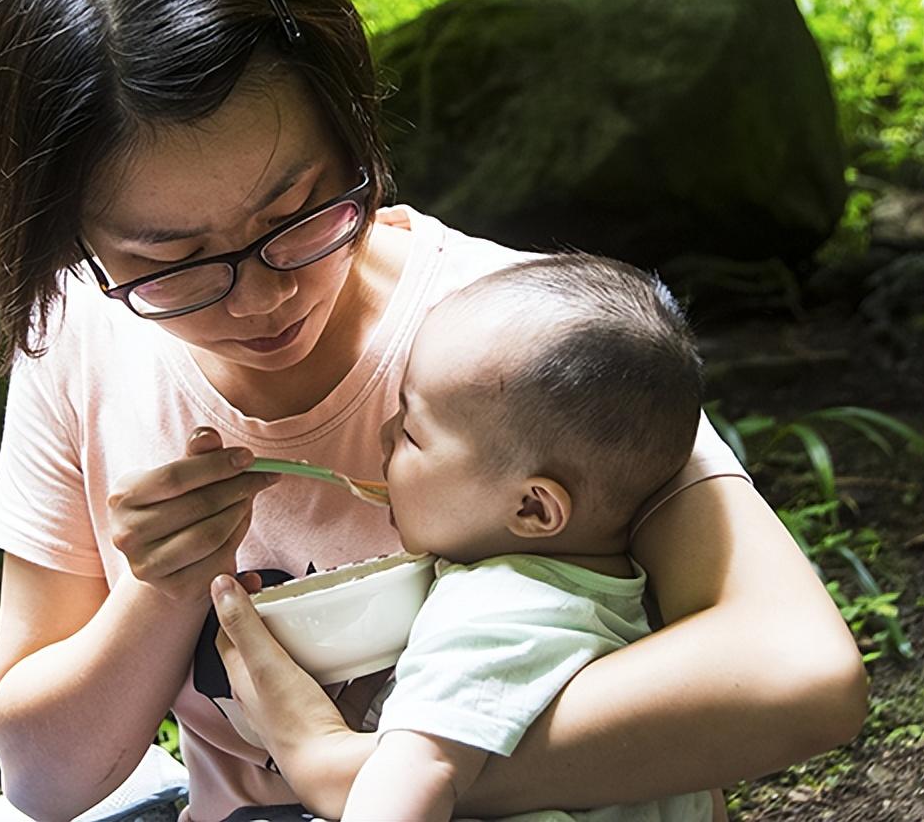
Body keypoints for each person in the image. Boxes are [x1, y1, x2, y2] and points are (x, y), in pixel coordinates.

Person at [0, 0, 867, 821]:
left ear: (352, 131)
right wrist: (161, 591)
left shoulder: (515, 344)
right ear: (68, 240)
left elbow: (798, 675)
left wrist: (363, 772)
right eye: (173, 264)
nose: (267, 296)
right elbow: (44, 780)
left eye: (298, 211)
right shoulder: (84, 336)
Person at [263, 253, 715, 822]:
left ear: (532, 507)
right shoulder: (631, 596)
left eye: (410, 432)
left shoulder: (488, 615)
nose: (381, 437)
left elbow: (417, 773)